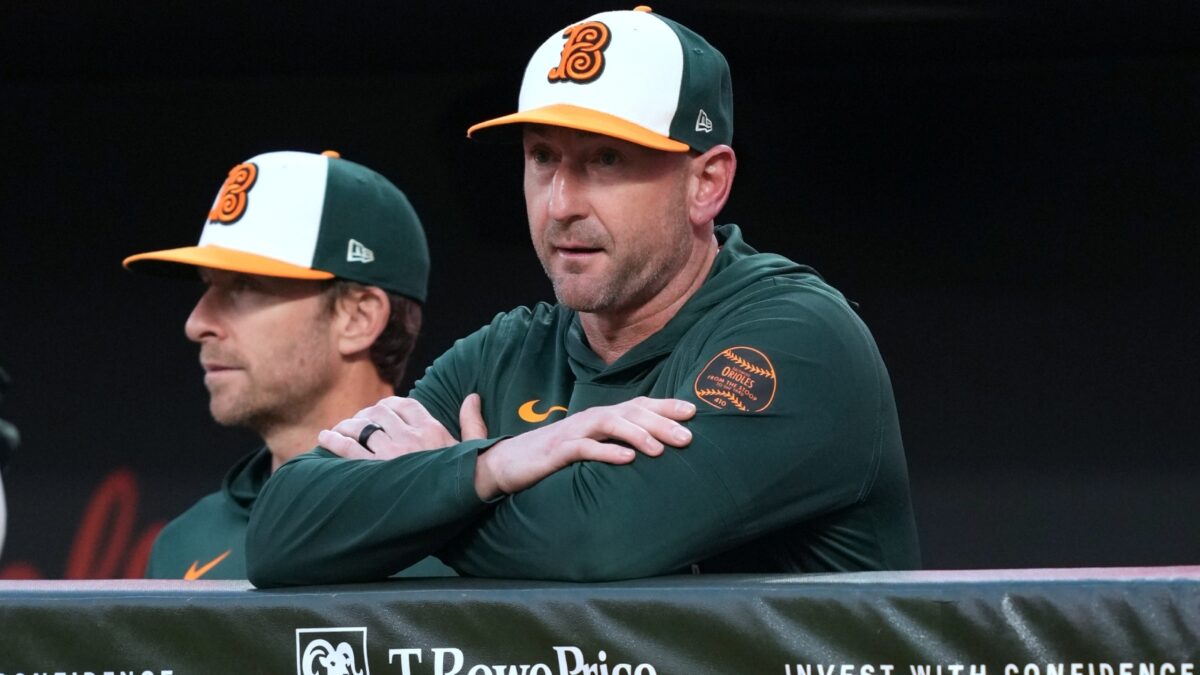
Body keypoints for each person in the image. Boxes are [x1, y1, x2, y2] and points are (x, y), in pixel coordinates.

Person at [246, 8, 920, 587]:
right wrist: (490, 465)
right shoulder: (507, 352)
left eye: (606, 160)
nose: (561, 203)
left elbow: (596, 541)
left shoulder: (797, 335)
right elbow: (281, 531)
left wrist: (430, 489)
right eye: (543, 157)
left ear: (706, 184)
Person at [124, 150, 453, 579]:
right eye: (208, 287)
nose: (196, 323)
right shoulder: (185, 542)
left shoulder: (458, 530)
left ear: (358, 318)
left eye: (245, 287)